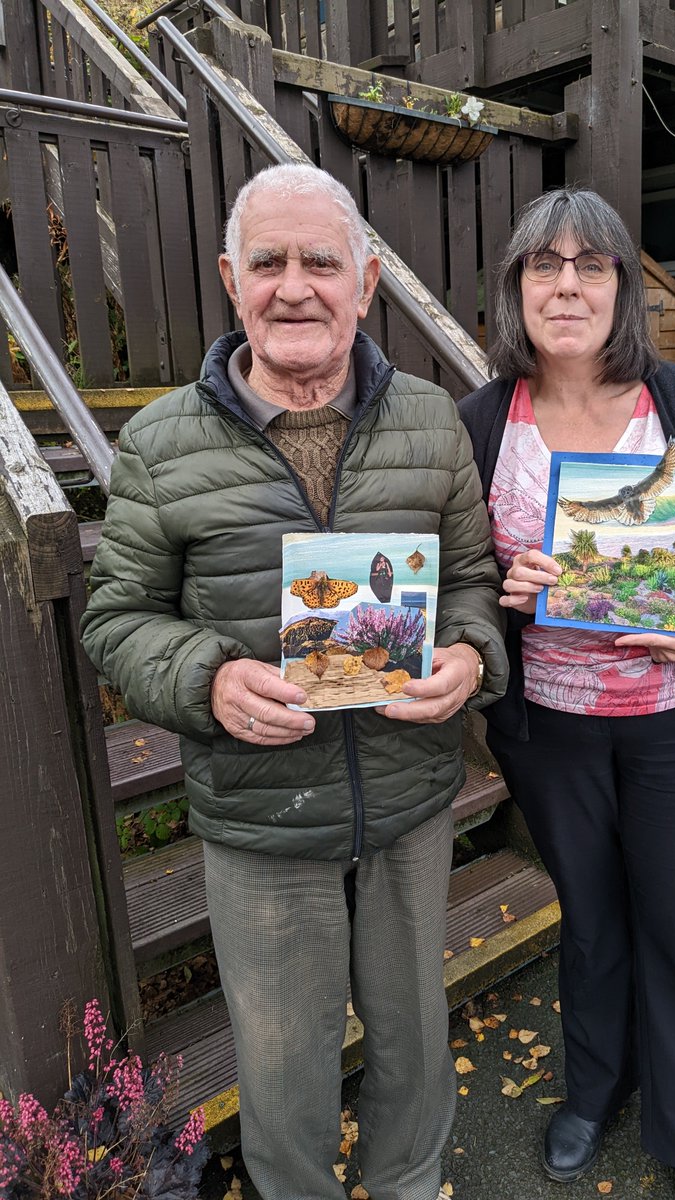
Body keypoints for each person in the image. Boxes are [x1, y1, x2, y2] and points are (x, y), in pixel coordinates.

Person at [81, 162, 507, 1200]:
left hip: (407, 799)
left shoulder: (430, 421)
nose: (295, 286)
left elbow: (472, 579)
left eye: (322, 261)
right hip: (259, 813)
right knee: (280, 1067)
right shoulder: (161, 442)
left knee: (414, 1035)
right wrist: (208, 678)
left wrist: (468, 654)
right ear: (233, 280)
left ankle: (409, 1184)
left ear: (366, 281)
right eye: (267, 262)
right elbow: (116, 619)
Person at [458, 188, 675, 1200]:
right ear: (517, 288)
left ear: (621, 287)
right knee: (593, 920)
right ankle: (597, 1088)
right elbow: (456, 575)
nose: (566, 285)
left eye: (591, 264)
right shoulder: (482, 423)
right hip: (549, 730)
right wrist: (500, 586)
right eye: (543, 265)